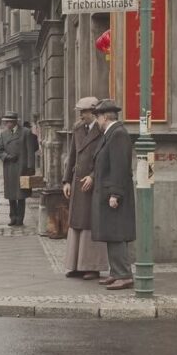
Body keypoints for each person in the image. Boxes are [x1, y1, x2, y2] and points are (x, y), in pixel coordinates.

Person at [91, 99, 135, 290]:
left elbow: (119, 168)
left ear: (105, 117)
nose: (97, 122)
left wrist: (115, 194)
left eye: (98, 117)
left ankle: (124, 275)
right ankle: (116, 272)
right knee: (111, 234)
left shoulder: (118, 135)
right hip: (108, 193)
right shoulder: (111, 134)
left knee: (117, 235)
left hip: (114, 195)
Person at [62, 97, 108, 280]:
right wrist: (66, 180)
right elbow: (72, 155)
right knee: (76, 223)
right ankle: (75, 265)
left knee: (90, 223)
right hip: (77, 181)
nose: (81, 115)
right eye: (80, 111)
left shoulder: (102, 130)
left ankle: (92, 266)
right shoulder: (78, 128)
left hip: (92, 184)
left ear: (94, 112)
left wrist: (94, 176)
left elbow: (105, 159)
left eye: (84, 112)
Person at [0, 111, 36, 226]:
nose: (7, 124)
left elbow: (30, 152)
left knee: (21, 194)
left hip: (22, 168)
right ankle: (12, 217)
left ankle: (20, 218)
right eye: (6, 122)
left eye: (9, 122)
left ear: (14, 122)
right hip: (9, 167)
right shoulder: (4, 134)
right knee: (11, 194)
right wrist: (7, 157)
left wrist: (30, 168)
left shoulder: (26, 132)